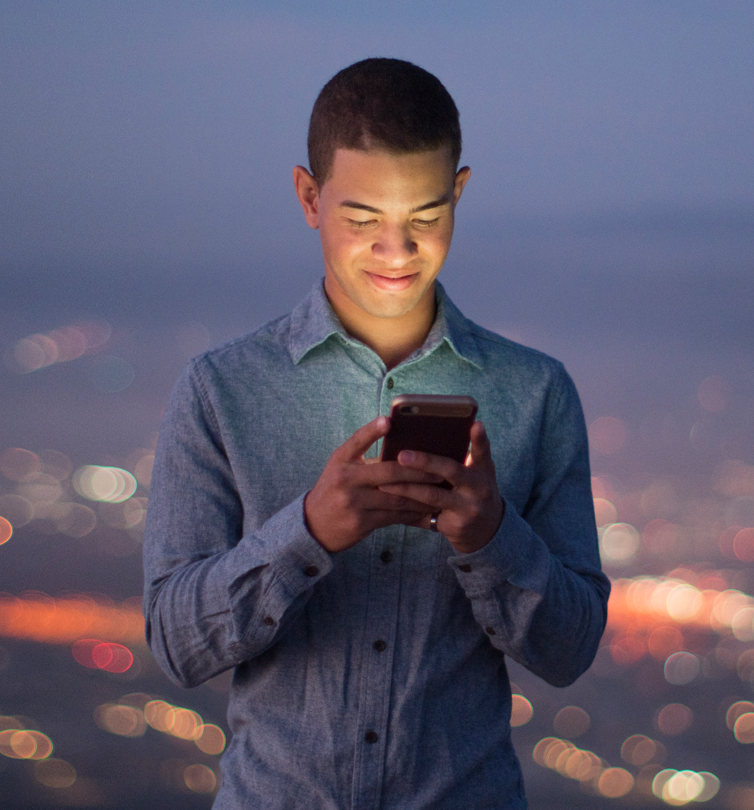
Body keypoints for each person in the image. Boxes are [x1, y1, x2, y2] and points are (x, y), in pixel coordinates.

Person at [142, 58, 609, 809]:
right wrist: (308, 532)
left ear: (459, 194)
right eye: (363, 220)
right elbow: (176, 643)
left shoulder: (535, 392)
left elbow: (571, 647)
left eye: (425, 218)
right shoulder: (220, 390)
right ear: (307, 197)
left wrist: (491, 534)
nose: (397, 252)